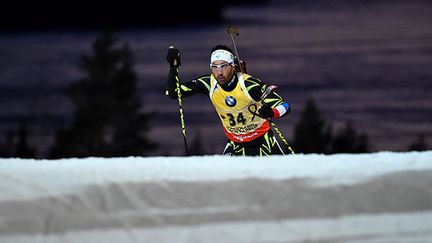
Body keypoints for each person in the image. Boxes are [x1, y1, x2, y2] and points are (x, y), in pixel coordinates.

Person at [165, 44, 291, 156]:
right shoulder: (209, 83)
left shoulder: (248, 84)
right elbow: (173, 92)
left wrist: (271, 112)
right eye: (214, 67)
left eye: (223, 66)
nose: (219, 72)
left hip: (262, 142)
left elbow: (284, 106)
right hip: (235, 145)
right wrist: (173, 67)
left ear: (232, 66)